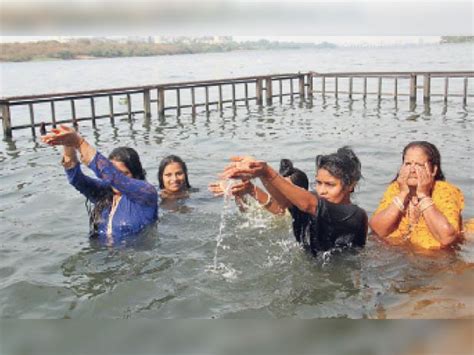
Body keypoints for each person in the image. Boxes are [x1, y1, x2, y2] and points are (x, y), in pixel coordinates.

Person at [220, 147, 368, 255]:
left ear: (350, 185)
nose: (321, 190)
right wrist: (258, 175)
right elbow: (283, 203)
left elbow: (309, 204)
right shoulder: (313, 204)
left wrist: (267, 172)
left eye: (330, 184)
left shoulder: (355, 215)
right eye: (319, 182)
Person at [41, 125, 158, 244]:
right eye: (113, 171)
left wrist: (79, 142)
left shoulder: (146, 194)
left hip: (134, 257)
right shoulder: (104, 193)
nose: (114, 181)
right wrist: (68, 144)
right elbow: (76, 179)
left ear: (136, 174)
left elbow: (112, 176)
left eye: (123, 174)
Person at [369, 141, 464, 250]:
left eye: (419, 165)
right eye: (408, 164)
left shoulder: (445, 190)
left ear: (433, 170)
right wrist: (402, 194)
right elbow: (378, 230)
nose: (412, 170)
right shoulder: (396, 188)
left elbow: (447, 238)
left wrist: (423, 195)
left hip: (436, 260)